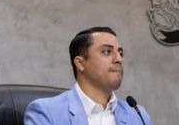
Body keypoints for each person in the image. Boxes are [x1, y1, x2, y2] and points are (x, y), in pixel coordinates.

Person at [24, 27, 153, 125]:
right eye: (107, 52)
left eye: (120, 53)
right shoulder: (46, 112)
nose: (118, 59)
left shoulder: (137, 115)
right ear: (80, 63)